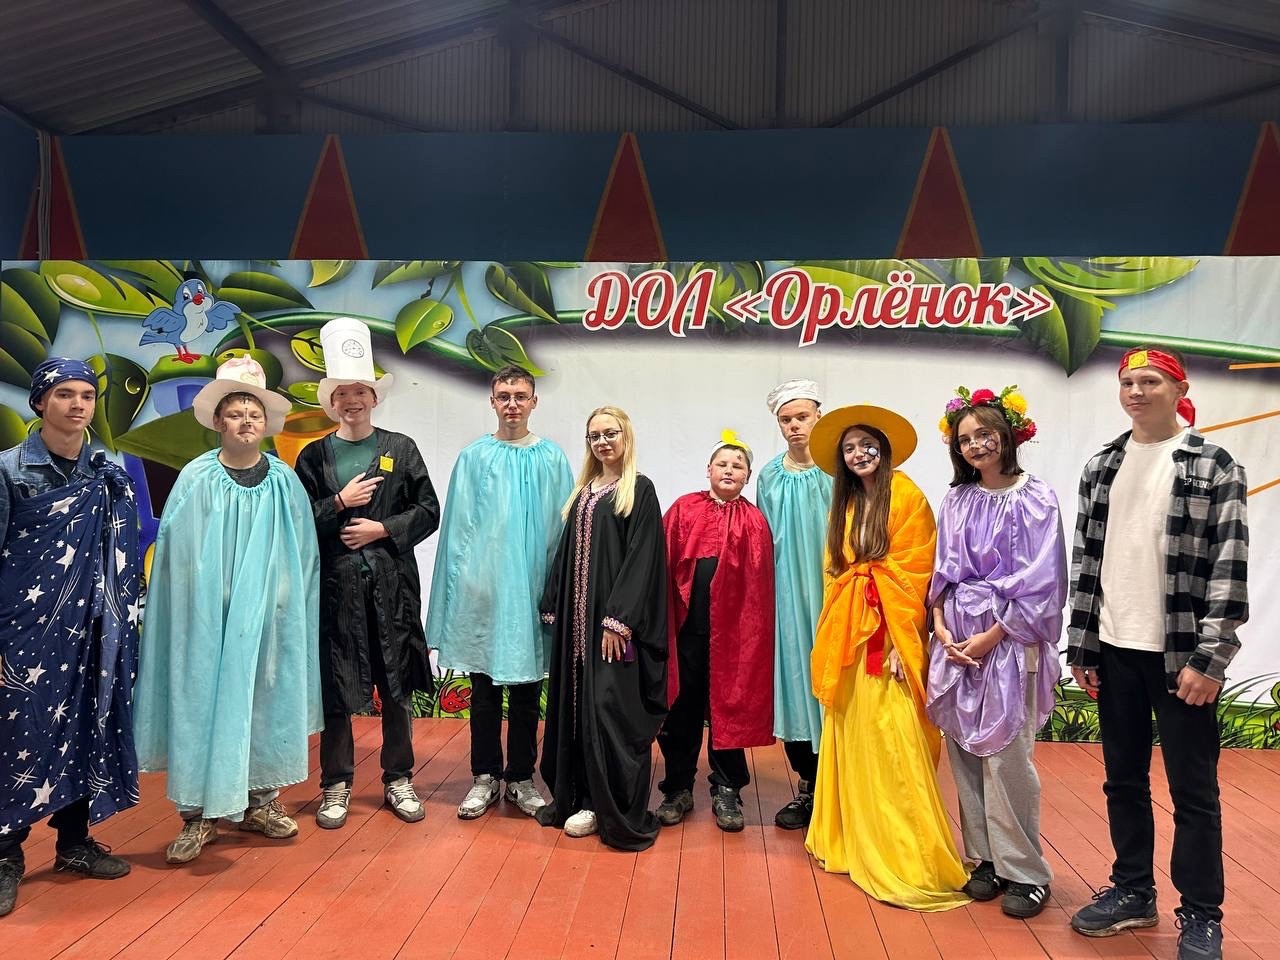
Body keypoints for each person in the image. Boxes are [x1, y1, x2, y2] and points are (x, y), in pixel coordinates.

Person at [1066, 348, 1247, 960]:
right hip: (1114, 649)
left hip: (1181, 658)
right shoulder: (1103, 465)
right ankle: (1133, 890)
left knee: (1194, 792)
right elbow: (1086, 560)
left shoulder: (1213, 465)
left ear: (1180, 389)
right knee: (1122, 780)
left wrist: (1211, 659)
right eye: (1127, 382)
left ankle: (1201, 914)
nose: (1136, 392)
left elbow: (1229, 568)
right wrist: (1083, 643)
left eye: (1150, 381)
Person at [134, 356, 321, 864]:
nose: (244, 422)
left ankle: (261, 801)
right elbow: (177, 555)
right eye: (235, 413)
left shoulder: (282, 480)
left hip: (265, 619)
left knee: (263, 700)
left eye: (253, 414)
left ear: (266, 423)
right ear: (218, 421)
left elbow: (301, 552)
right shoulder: (197, 477)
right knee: (203, 701)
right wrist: (204, 600)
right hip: (206, 622)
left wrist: (282, 600)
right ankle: (198, 814)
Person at [803, 404, 968, 911]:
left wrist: (900, 642)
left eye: (866, 445)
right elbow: (836, 570)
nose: (859, 454)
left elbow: (918, 573)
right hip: (851, 636)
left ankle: (907, 853)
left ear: (884, 447)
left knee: (894, 738)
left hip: (888, 636)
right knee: (856, 733)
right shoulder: (848, 503)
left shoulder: (907, 495)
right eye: (850, 448)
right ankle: (854, 837)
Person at [0, 358, 140, 917]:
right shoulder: (9, 471)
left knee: (88, 722)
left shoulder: (104, 471)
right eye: (64, 394)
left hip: (92, 628)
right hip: (24, 631)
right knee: (17, 731)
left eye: (86, 395)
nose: (78, 404)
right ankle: (5, 853)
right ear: (40, 402)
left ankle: (74, 842)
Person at [295, 317, 439, 829]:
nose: (352, 400)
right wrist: (338, 502)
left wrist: (381, 529)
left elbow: (428, 511)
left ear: (374, 398)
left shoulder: (400, 448)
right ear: (331, 402)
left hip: (391, 586)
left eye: (360, 391)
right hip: (336, 589)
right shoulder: (314, 456)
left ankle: (398, 777)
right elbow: (296, 520)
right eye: (343, 393)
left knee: (395, 682)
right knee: (336, 685)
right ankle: (335, 784)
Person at [926, 386, 1064, 919]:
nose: (976, 445)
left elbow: (1043, 582)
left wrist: (992, 634)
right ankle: (984, 858)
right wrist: (941, 627)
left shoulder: (1037, 498)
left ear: (1007, 436)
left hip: (1007, 643)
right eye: (965, 439)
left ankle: (1026, 872)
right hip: (957, 642)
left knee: (1007, 758)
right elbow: (942, 572)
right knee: (964, 753)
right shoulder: (956, 500)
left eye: (985, 434)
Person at [427, 365, 572, 820]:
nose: (512, 404)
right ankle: (485, 775)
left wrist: (554, 589)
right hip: (485, 592)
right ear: (492, 402)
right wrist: (464, 587)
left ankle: (521, 777)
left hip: (532, 591)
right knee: (485, 686)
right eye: (504, 396)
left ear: (534, 402)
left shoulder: (552, 458)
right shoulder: (473, 458)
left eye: (520, 395)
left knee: (528, 688)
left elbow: (562, 530)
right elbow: (457, 531)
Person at [536, 406, 667, 849]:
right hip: (576, 631)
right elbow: (565, 553)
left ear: (625, 436)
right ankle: (578, 797)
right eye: (594, 436)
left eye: (610, 433)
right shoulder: (584, 492)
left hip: (611, 629)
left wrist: (619, 619)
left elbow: (643, 558)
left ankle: (605, 805)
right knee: (575, 708)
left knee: (608, 711)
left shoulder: (639, 490)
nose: (602, 442)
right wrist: (553, 600)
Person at [657, 431, 774, 833]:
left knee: (731, 708)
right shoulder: (683, 509)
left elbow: (759, 589)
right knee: (681, 709)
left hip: (734, 638)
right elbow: (662, 563)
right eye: (722, 463)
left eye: (737, 466)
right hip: (686, 631)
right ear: (708, 469)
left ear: (747, 476)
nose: (729, 470)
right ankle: (677, 788)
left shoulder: (754, 521)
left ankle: (727, 788)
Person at [757, 379, 831, 830]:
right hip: (787, 597)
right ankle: (809, 786)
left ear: (819, 415)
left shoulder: (837, 469)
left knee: (834, 687)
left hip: (834, 595)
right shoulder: (769, 476)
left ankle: (843, 790)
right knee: (796, 685)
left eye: (802, 416)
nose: (794, 426)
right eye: (786, 419)